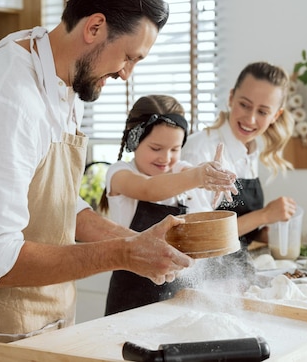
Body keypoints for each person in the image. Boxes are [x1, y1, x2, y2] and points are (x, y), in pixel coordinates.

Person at [0, 0, 195, 361]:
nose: (127, 74)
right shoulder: (4, 100)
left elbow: (59, 202)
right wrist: (123, 254)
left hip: (47, 314)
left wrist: (137, 242)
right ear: (95, 27)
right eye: (128, 57)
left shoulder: (62, 77)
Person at [100, 95, 237, 315]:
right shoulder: (120, 173)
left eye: (175, 149)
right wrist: (198, 176)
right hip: (130, 301)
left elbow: (190, 172)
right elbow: (150, 189)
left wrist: (213, 172)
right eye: (156, 148)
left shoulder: (179, 171)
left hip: (178, 300)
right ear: (134, 140)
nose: (166, 158)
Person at [182, 61, 298, 250]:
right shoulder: (201, 149)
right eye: (244, 105)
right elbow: (196, 235)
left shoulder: (250, 150)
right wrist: (264, 215)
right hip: (204, 275)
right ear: (231, 97)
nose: (250, 119)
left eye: (262, 111)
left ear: (276, 116)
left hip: (236, 271)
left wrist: (262, 232)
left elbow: (237, 223)